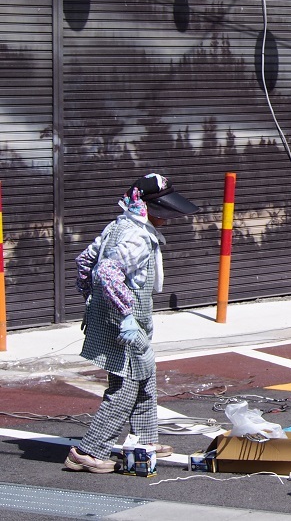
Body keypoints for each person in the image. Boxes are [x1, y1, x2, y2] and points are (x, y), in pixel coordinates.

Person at [65, 173, 199, 473]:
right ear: (144, 206)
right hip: (124, 319)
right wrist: (123, 314)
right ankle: (88, 452)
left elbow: (85, 260)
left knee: (145, 374)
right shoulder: (136, 236)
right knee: (126, 385)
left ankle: (144, 440)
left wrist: (91, 300)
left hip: (119, 314)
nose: (168, 216)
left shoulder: (119, 225)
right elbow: (109, 272)